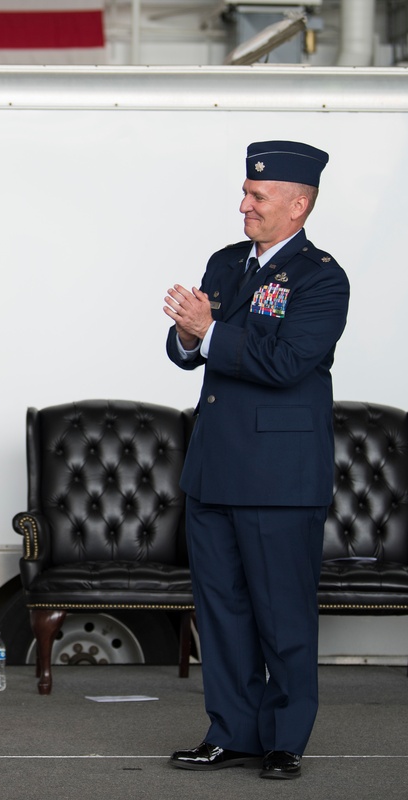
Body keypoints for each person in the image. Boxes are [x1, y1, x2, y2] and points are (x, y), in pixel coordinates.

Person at [163, 141, 349, 780]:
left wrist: (210, 332)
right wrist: (188, 335)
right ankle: (231, 731)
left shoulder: (323, 277)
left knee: (282, 614)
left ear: (299, 204)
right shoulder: (225, 262)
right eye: (245, 191)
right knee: (221, 613)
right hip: (215, 468)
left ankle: (284, 738)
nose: (244, 203)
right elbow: (192, 350)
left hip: (278, 477)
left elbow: (290, 362)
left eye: (258, 196)